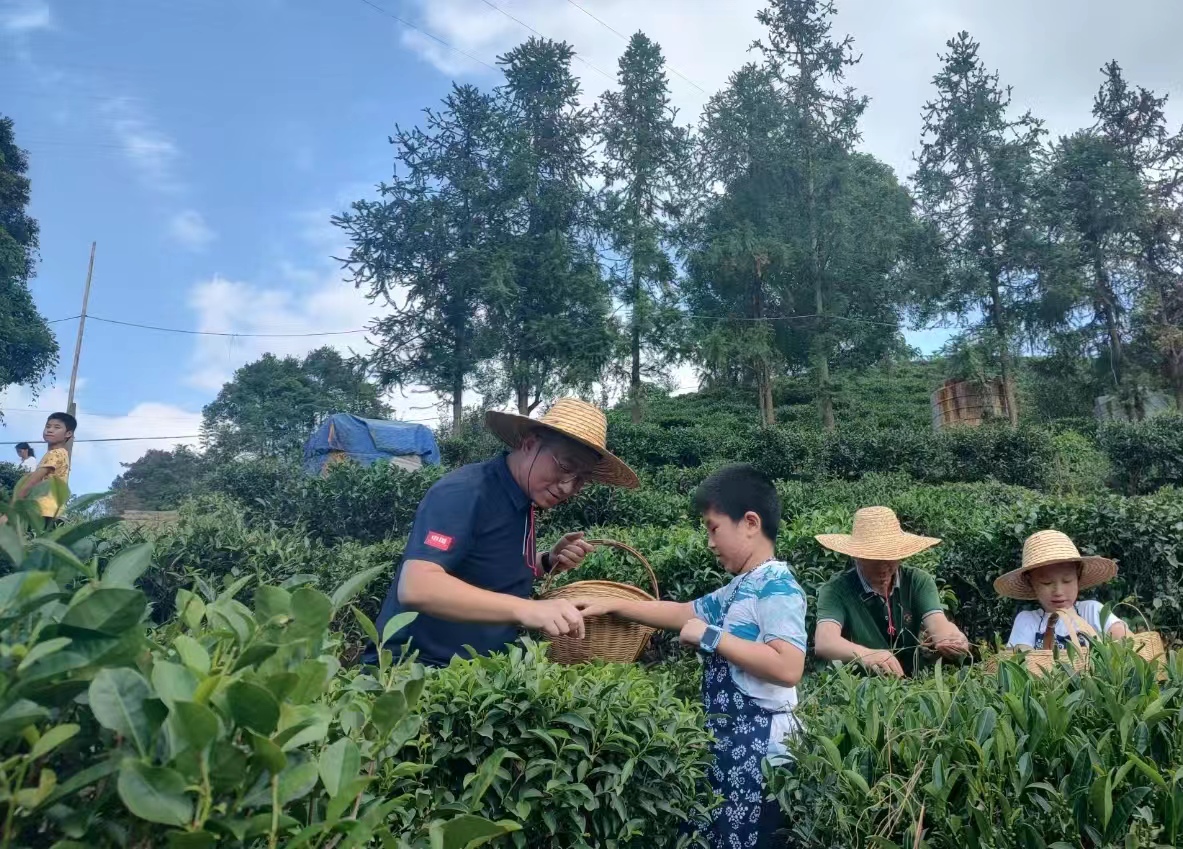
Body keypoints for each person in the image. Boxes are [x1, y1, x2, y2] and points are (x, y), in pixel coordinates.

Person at [574, 464, 805, 849]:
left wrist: (712, 636)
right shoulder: (740, 586)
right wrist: (611, 604)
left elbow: (788, 666)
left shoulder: (777, 585)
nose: (710, 543)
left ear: (750, 522)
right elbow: (683, 613)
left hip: (764, 754)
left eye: (714, 528)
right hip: (732, 745)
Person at [369, 398, 639, 668]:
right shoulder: (466, 492)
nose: (568, 486)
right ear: (530, 444)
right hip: (414, 671)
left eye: (581, 478)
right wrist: (529, 609)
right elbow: (418, 586)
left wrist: (546, 561)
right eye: (565, 467)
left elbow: (485, 566)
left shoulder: (523, 499)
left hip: (476, 674)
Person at [813, 506, 969, 677]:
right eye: (873, 558)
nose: (883, 567)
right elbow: (825, 641)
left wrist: (950, 637)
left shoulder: (917, 581)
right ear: (856, 556)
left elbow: (938, 623)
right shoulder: (836, 590)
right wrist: (868, 655)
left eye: (890, 557)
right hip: (860, 688)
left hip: (913, 682)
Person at [996, 529, 1129, 649]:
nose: (1058, 592)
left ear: (1078, 577)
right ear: (1031, 584)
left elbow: (1127, 642)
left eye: (1067, 581)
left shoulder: (1092, 611)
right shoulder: (1027, 621)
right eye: (1046, 583)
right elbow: (1020, 660)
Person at [14, 413, 75, 525]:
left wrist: (12, 509)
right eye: (48, 426)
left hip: (43, 511)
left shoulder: (55, 453)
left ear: (68, 433)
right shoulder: (62, 454)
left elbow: (32, 482)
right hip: (55, 512)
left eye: (57, 427)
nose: (50, 430)